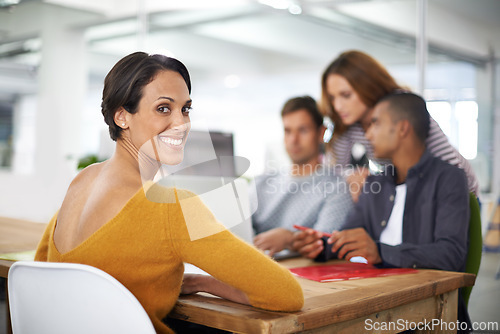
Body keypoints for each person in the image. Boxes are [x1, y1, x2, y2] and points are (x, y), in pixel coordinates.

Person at [34, 52, 303, 334]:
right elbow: (286, 294)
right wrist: (201, 282)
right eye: (163, 109)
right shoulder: (170, 207)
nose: (181, 123)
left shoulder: (81, 181)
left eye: (185, 109)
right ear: (122, 116)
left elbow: (41, 269)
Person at [293, 92, 471, 328]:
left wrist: (379, 252)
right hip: (374, 303)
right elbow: (348, 234)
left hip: (427, 314)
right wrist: (320, 245)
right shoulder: (376, 183)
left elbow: (451, 254)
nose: (368, 134)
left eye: (375, 123)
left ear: (402, 128)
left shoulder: (449, 178)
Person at [320, 50, 479, 200]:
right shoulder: (349, 124)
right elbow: (332, 171)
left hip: (457, 193)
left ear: (367, 86)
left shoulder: (403, 108)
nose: (338, 106)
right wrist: (351, 175)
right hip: (412, 195)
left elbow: (452, 169)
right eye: (332, 98)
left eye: (346, 95)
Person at [251, 96, 353, 257]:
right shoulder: (261, 183)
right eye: (288, 131)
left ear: (321, 133)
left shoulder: (336, 189)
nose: (293, 140)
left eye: (303, 130)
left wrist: (290, 239)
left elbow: (323, 245)